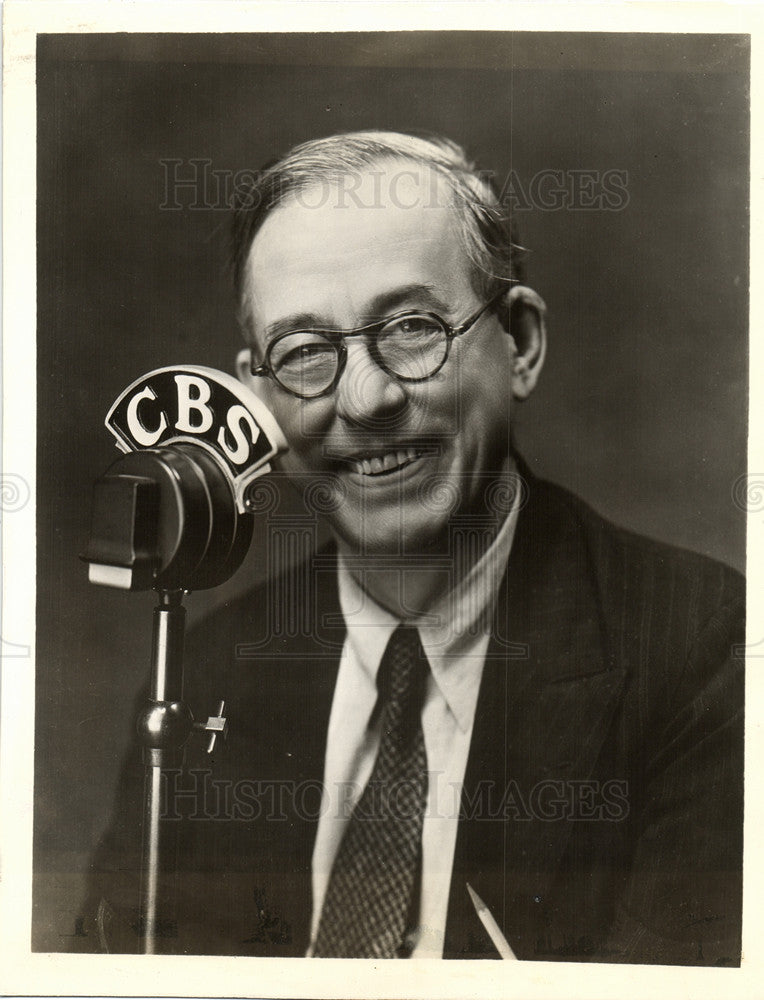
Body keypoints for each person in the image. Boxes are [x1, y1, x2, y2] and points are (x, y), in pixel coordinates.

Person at [83, 131, 744, 964]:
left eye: (410, 328)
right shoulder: (203, 678)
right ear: (258, 409)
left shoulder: (705, 654)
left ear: (521, 343)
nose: (365, 399)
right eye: (306, 354)